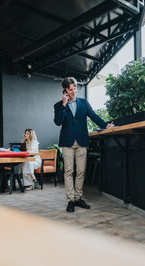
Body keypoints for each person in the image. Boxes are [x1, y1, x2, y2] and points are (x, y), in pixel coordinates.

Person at [54, 77, 114, 213]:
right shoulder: (59, 105)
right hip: (67, 142)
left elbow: (93, 115)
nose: (74, 91)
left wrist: (105, 125)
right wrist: (64, 105)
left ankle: (78, 198)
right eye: (71, 89)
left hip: (81, 141)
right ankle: (70, 200)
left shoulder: (84, 103)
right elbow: (58, 122)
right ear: (65, 91)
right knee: (69, 171)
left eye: (75, 88)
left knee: (81, 171)